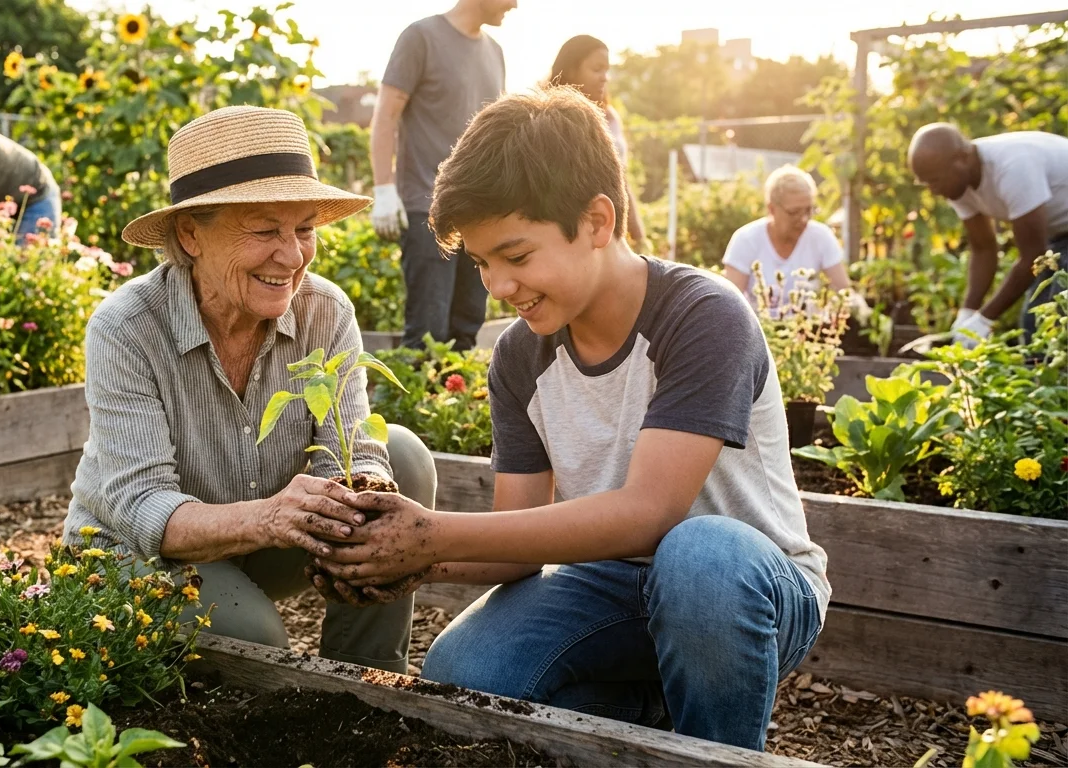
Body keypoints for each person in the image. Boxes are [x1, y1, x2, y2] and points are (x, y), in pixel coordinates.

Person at [310, 88, 827, 751]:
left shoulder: (703, 315)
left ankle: (717, 754)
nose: (496, 285)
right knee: (461, 671)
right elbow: (517, 542)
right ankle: (650, 717)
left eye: (517, 256)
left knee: (698, 556)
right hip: (610, 582)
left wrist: (434, 532)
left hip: (742, 592)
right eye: (481, 262)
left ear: (598, 221)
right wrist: (395, 561)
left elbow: (652, 512)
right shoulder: (521, 356)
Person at [61, 106, 438, 674]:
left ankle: (367, 676)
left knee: (402, 460)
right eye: (265, 230)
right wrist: (268, 518)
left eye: (304, 228)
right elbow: (140, 508)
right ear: (191, 234)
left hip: (268, 542)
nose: (292, 257)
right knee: (257, 643)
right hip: (143, 553)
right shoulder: (128, 327)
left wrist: (366, 500)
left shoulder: (324, 310)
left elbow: (354, 450)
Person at [370, 0, 514, 350]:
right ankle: (413, 402)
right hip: (427, 209)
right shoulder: (421, 38)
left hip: (479, 214)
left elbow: (494, 137)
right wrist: (384, 188)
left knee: (467, 329)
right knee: (428, 334)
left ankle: (453, 405)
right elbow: (386, 115)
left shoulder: (494, 52)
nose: (515, 4)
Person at [908, 123, 1068, 345]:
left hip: (1057, 239)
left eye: (935, 180)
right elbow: (984, 249)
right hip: (1059, 235)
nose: (932, 191)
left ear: (962, 158)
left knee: (1054, 319)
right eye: (926, 183)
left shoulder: (1013, 167)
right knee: (1036, 325)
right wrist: (968, 312)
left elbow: (1033, 255)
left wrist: (984, 319)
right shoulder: (957, 186)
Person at [548, 35, 645, 246]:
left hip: (610, 235)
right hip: (572, 236)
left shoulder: (609, 118)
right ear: (572, 70)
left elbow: (621, 181)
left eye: (607, 70)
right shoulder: (547, 121)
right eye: (596, 69)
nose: (605, 77)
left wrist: (638, 234)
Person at [722, 165, 852, 311]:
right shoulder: (745, 240)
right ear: (771, 209)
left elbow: (844, 293)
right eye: (794, 212)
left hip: (809, 330)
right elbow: (730, 305)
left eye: (809, 210)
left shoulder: (821, 236)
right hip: (758, 330)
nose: (803, 219)